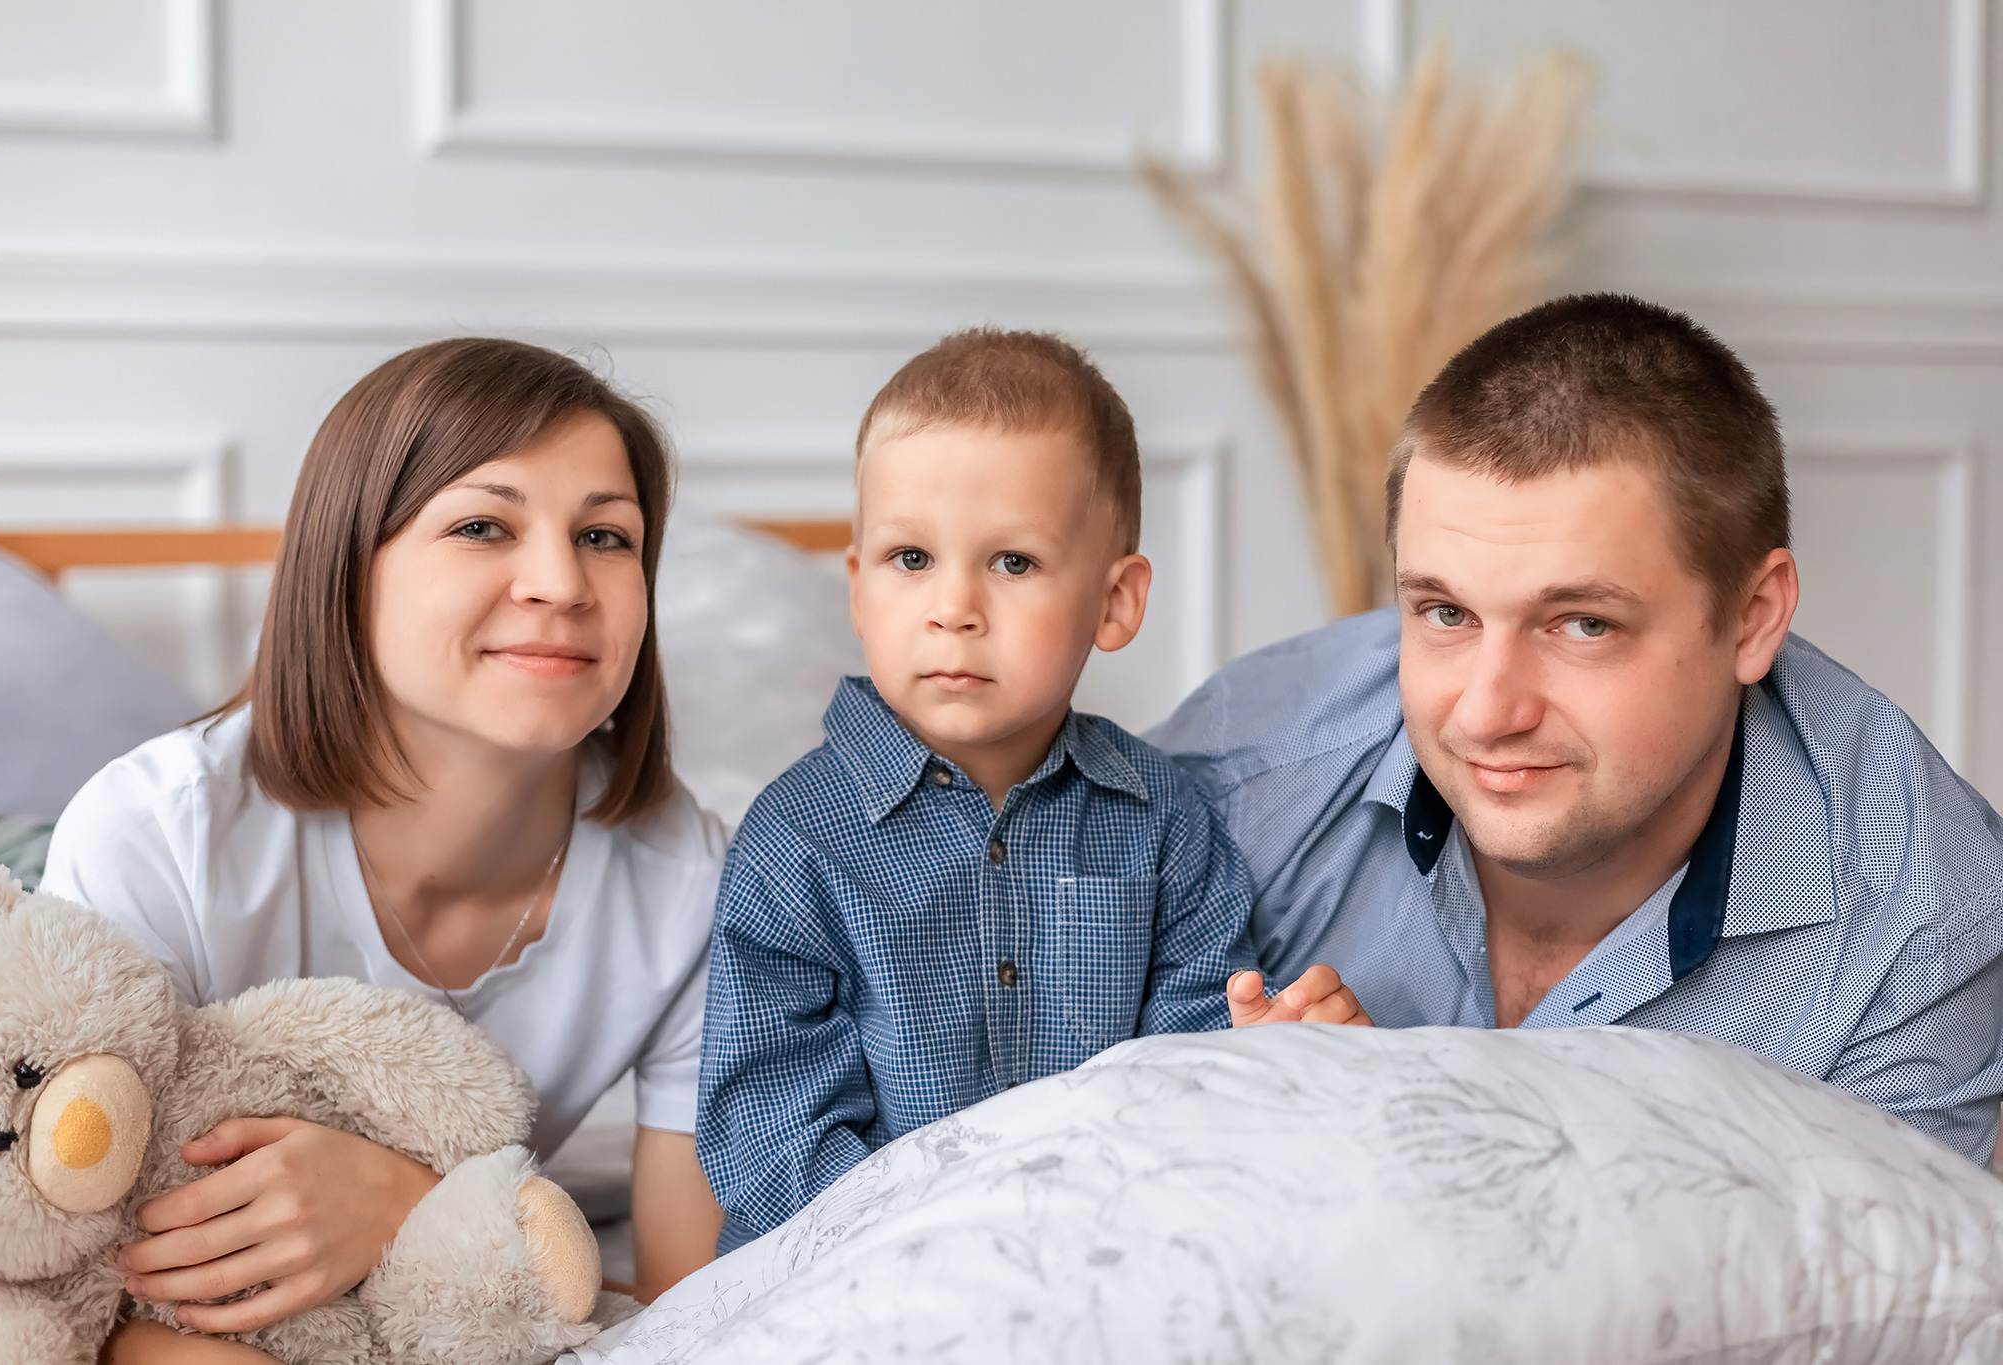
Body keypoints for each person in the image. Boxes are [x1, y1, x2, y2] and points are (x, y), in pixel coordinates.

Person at [1149, 294, 2003, 1164]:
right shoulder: (1231, 780)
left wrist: (1381, 1148)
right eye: (1446, 612)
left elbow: (1870, 1293)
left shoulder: (1923, 922)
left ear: (1752, 619)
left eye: (1582, 624)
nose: (1485, 713)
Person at [43, 338, 728, 1363]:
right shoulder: (158, 836)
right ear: (345, 567)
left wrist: (416, 1208)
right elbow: (65, 1293)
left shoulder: (695, 885)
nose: (560, 581)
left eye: (606, 536)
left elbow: (684, 1313)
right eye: (482, 526)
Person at [695, 329, 1365, 1252]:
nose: (953, 607)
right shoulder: (794, 840)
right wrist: (948, 1251)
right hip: (854, 1277)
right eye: (910, 558)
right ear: (857, 591)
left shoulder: (1163, 821)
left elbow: (1184, 1077)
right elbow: (768, 1128)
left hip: (1098, 1251)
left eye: (1012, 562)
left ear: (1114, 603)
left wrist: (1259, 1052)